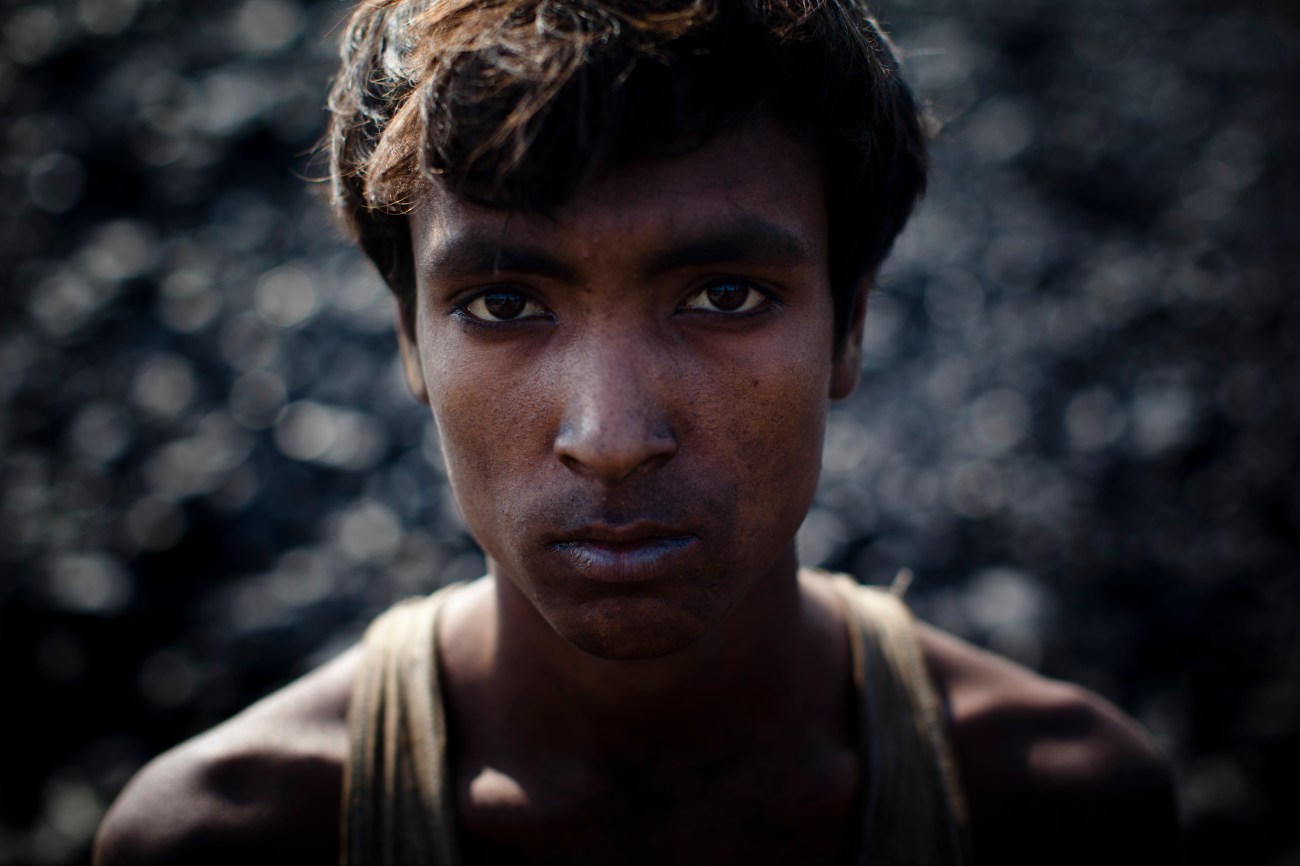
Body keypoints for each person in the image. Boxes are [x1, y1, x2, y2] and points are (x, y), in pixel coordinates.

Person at [94, 0, 1178, 863]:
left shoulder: (1059, 807)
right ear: (411, 340)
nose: (610, 438)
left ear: (848, 327)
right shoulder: (227, 836)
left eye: (724, 296)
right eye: (504, 303)